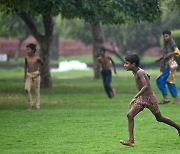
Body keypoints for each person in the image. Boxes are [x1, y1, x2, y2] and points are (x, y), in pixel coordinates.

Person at [120, 54, 180, 147]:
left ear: (133, 64)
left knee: (159, 118)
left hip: (150, 99)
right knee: (130, 115)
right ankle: (131, 140)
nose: (125, 65)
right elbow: (147, 76)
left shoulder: (139, 72)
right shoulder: (136, 71)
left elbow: (146, 86)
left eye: (127, 63)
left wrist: (135, 97)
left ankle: (178, 127)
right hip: (142, 99)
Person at [156, 30, 180, 104]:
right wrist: (160, 58)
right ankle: (175, 100)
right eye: (164, 36)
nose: (165, 38)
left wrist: (170, 54)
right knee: (170, 82)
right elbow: (165, 55)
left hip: (169, 66)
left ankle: (166, 98)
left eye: (166, 36)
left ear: (170, 36)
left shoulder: (172, 43)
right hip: (165, 66)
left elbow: (177, 52)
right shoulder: (167, 43)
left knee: (159, 80)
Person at [24, 43, 44, 111]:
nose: (27, 51)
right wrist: (25, 75)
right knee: (27, 89)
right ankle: (31, 103)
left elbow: (42, 64)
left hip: (36, 74)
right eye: (26, 49)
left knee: (37, 91)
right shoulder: (26, 58)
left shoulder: (37, 58)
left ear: (32, 50)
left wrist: (39, 72)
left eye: (28, 49)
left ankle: (37, 105)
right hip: (28, 74)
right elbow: (25, 66)